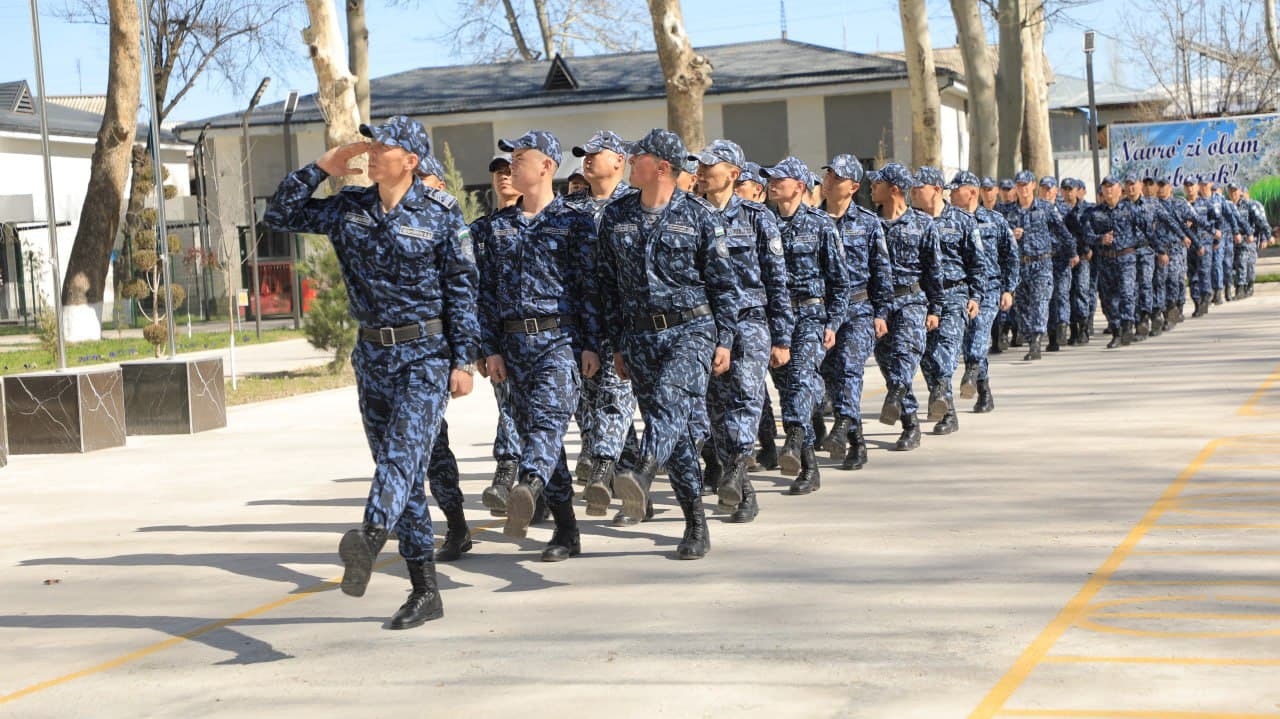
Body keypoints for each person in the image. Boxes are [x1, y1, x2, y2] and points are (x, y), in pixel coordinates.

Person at [262, 115, 479, 630]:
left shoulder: (442, 214)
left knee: (403, 454)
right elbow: (279, 214)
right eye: (372, 143)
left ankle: (370, 534)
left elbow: (464, 290)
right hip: (373, 355)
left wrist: (464, 358)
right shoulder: (350, 209)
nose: (373, 151)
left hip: (426, 352)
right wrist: (322, 167)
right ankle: (425, 590)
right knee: (394, 467)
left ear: (411, 160)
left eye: (386, 145)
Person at [596, 128, 739, 560]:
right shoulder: (617, 216)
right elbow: (608, 285)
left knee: (670, 401)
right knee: (672, 431)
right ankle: (695, 520)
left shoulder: (698, 215)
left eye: (635, 155)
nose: (628, 161)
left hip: (691, 330)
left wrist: (726, 339)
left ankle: (640, 471)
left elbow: (723, 285)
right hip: (639, 336)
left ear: (660, 166)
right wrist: (617, 344)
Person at [474, 130, 601, 561]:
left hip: (559, 340)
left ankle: (526, 487)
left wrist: (591, 344)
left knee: (547, 424)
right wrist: (489, 348)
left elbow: (589, 288)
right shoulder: (497, 228)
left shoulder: (576, 222)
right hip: (512, 346)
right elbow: (485, 294)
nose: (511, 164)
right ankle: (567, 531)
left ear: (547, 166)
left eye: (520, 156)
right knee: (538, 436)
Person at [690, 139, 792, 520]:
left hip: (750, 318)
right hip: (707, 321)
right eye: (699, 167)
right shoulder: (691, 215)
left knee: (746, 395)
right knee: (715, 405)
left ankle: (735, 468)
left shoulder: (756, 217)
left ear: (733, 174)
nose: (701, 173)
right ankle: (741, 487)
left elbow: (777, 280)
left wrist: (781, 337)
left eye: (710, 167)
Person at [567, 130, 644, 525]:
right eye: (585, 154)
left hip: (623, 322)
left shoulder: (634, 206)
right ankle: (634, 490)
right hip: (581, 324)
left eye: (595, 154)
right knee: (591, 407)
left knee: (616, 398)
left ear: (619, 160)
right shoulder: (570, 209)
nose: (587, 160)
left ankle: (601, 469)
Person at [762, 156, 850, 493]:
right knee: (788, 390)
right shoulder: (764, 223)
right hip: (776, 319)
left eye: (779, 179)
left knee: (799, 378)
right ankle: (808, 465)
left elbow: (840, 282)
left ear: (799, 186)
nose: (772, 184)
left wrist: (834, 321)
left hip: (812, 315)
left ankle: (794, 440)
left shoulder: (820, 225)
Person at [817, 154, 891, 470]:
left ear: (853, 186)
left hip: (858, 307)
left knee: (849, 367)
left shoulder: (868, 223)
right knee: (832, 378)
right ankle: (855, 440)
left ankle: (842, 429)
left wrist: (881, 312)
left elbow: (881, 270)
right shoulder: (811, 220)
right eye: (828, 174)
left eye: (837, 177)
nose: (829, 180)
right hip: (821, 312)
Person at [870, 163, 943, 451]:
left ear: (894, 189)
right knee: (888, 363)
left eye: (878, 184)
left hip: (912, 298)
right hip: (880, 303)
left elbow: (933, 270)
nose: (872, 188)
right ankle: (908, 419)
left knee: (905, 353)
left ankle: (902, 406)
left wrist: (935, 308)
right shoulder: (870, 223)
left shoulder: (923, 224)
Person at [476, 153, 528, 518]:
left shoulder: (540, 222)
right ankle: (510, 472)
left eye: (510, 171)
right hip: (501, 335)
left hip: (545, 336)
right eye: (497, 172)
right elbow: (477, 291)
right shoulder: (480, 229)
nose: (504, 177)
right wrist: (482, 345)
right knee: (508, 404)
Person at [954, 170, 1018, 413]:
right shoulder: (950, 223)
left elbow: (1011, 256)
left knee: (979, 333)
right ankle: (984, 390)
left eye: (956, 189)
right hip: (961, 290)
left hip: (990, 288)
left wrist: (1009, 289)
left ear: (971, 192)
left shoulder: (995, 220)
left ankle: (971, 371)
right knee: (967, 339)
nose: (951, 193)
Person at [1001, 170, 1075, 361]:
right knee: (1022, 307)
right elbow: (1001, 241)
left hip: (1041, 263)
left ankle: (1036, 341)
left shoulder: (1045, 208)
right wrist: (1011, 235)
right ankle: (1033, 335)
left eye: (1026, 185)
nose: (1023, 189)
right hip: (1020, 265)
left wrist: (1071, 254)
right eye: (1020, 185)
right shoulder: (1008, 213)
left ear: (1033, 186)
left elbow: (1063, 233)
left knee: (1040, 301)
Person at [1082, 176, 1142, 348]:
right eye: (1105, 187)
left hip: (1126, 258)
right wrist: (1100, 239)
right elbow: (1086, 235)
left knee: (1127, 293)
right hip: (1106, 259)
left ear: (1119, 189)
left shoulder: (1131, 209)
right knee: (1109, 298)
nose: (1108, 190)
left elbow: (1145, 229)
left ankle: (1128, 325)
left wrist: (1141, 246)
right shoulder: (1095, 213)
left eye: (1111, 186)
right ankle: (1116, 330)